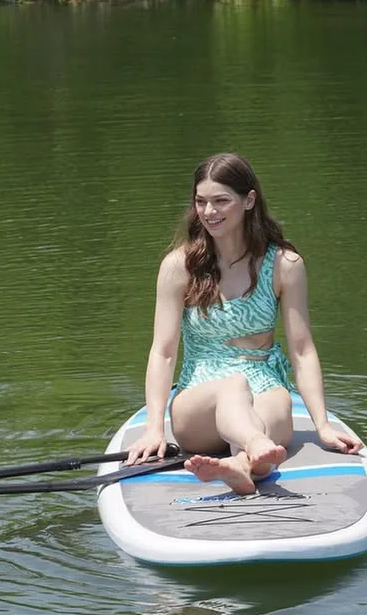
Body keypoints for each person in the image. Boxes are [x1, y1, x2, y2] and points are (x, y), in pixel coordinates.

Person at [126, 153, 362, 492]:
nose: (209, 212)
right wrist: (154, 429)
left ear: (249, 200)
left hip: (264, 387)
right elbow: (163, 352)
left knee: (274, 398)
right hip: (198, 403)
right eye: (201, 202)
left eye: (221, 201)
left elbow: (302, 349)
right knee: (233, 386)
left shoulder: (284, 265)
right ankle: (254, 443)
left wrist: (322, 424)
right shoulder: (180, 267)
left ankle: (240, 465)